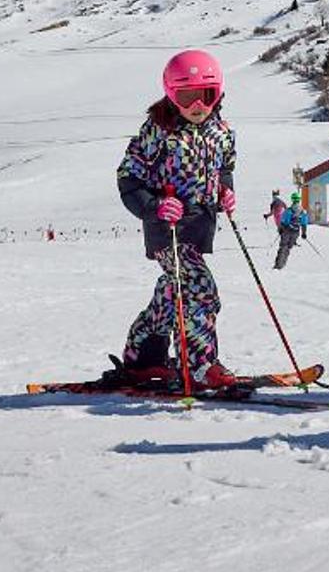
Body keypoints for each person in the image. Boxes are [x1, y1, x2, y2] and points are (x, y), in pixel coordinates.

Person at [97, 49, 238, 389]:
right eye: (187, 96)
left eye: (206, 95)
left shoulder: (222, 132)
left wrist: (225, 191)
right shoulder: (158, 130)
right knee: (199, 288)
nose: (197, 105)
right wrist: (154, 206)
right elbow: (128, 178)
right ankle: (199, 366)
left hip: (200, 226)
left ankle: (144, 357)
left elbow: (224, 168)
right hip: (167, 228)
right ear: (171, 94)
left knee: (173, 289)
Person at [272, 196, 309, 270]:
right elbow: (304, 223)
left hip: (286, 231)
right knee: (288, 248)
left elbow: (283, 221)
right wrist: (304, 233)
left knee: (283, 246)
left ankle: (278, 264)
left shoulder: (289, 210)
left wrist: (280, 229)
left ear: (292, 200)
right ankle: (283, 263)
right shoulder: (303, 211)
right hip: (296, 232)